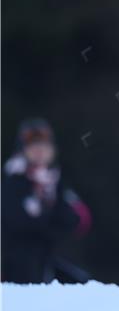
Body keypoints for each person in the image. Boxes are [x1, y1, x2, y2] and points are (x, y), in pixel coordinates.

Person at [1, 118, 92, 283]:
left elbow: (75, 219)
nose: (39, 151)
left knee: (83, 283)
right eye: (34, 147)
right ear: (23, 150)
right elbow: (15, 222)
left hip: (50, 259)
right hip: (17, 267)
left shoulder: (55, 182)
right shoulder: (13, 181)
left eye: (44, 146)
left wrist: (46, 221)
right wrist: (49, 223)